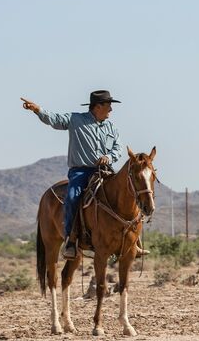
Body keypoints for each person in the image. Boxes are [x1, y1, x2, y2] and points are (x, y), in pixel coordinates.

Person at [22, 90, 123, 259]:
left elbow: (118, 148)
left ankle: (132, 241)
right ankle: (71, 240)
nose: (111, 110)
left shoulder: (111, 127)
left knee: (127, 193)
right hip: (81, 171)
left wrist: (109, 157)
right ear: (98, 107)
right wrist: (37, 109)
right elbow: (54, 119)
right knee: (72, 196)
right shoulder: (75, 120)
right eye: (109, 106)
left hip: (105, 171)